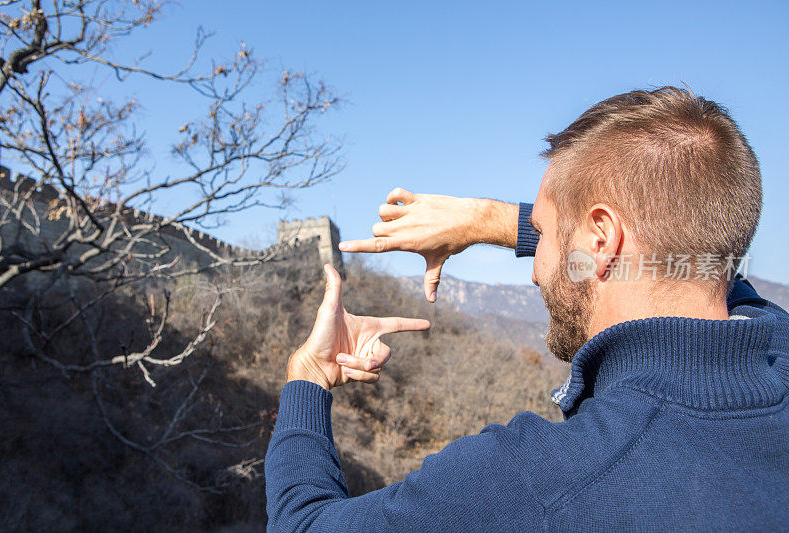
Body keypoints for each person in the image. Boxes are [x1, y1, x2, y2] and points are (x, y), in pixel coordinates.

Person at [265, 87, 789, 531]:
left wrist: (308, 377)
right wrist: (494, 221)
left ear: (601, 240)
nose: (535, 267)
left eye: (539, 234)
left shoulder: (534, 481)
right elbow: (695, 257)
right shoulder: (777, 348)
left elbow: (303, 524)